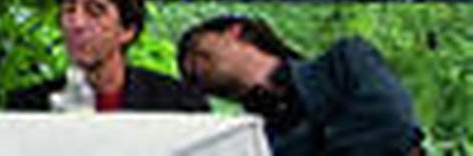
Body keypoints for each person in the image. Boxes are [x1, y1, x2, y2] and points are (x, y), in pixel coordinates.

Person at [177, 15, 423, 155]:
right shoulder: (251, 140)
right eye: (185, 75)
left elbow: (392, 123)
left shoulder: (345, 60)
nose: (188, 65)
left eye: (193, 46)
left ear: (236, 31)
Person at [5, 0, 207, 112]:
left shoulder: (177, 104)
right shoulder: (28, 106)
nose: (77, 23)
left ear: (127, 30)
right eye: (69, 9)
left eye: (95, 11)